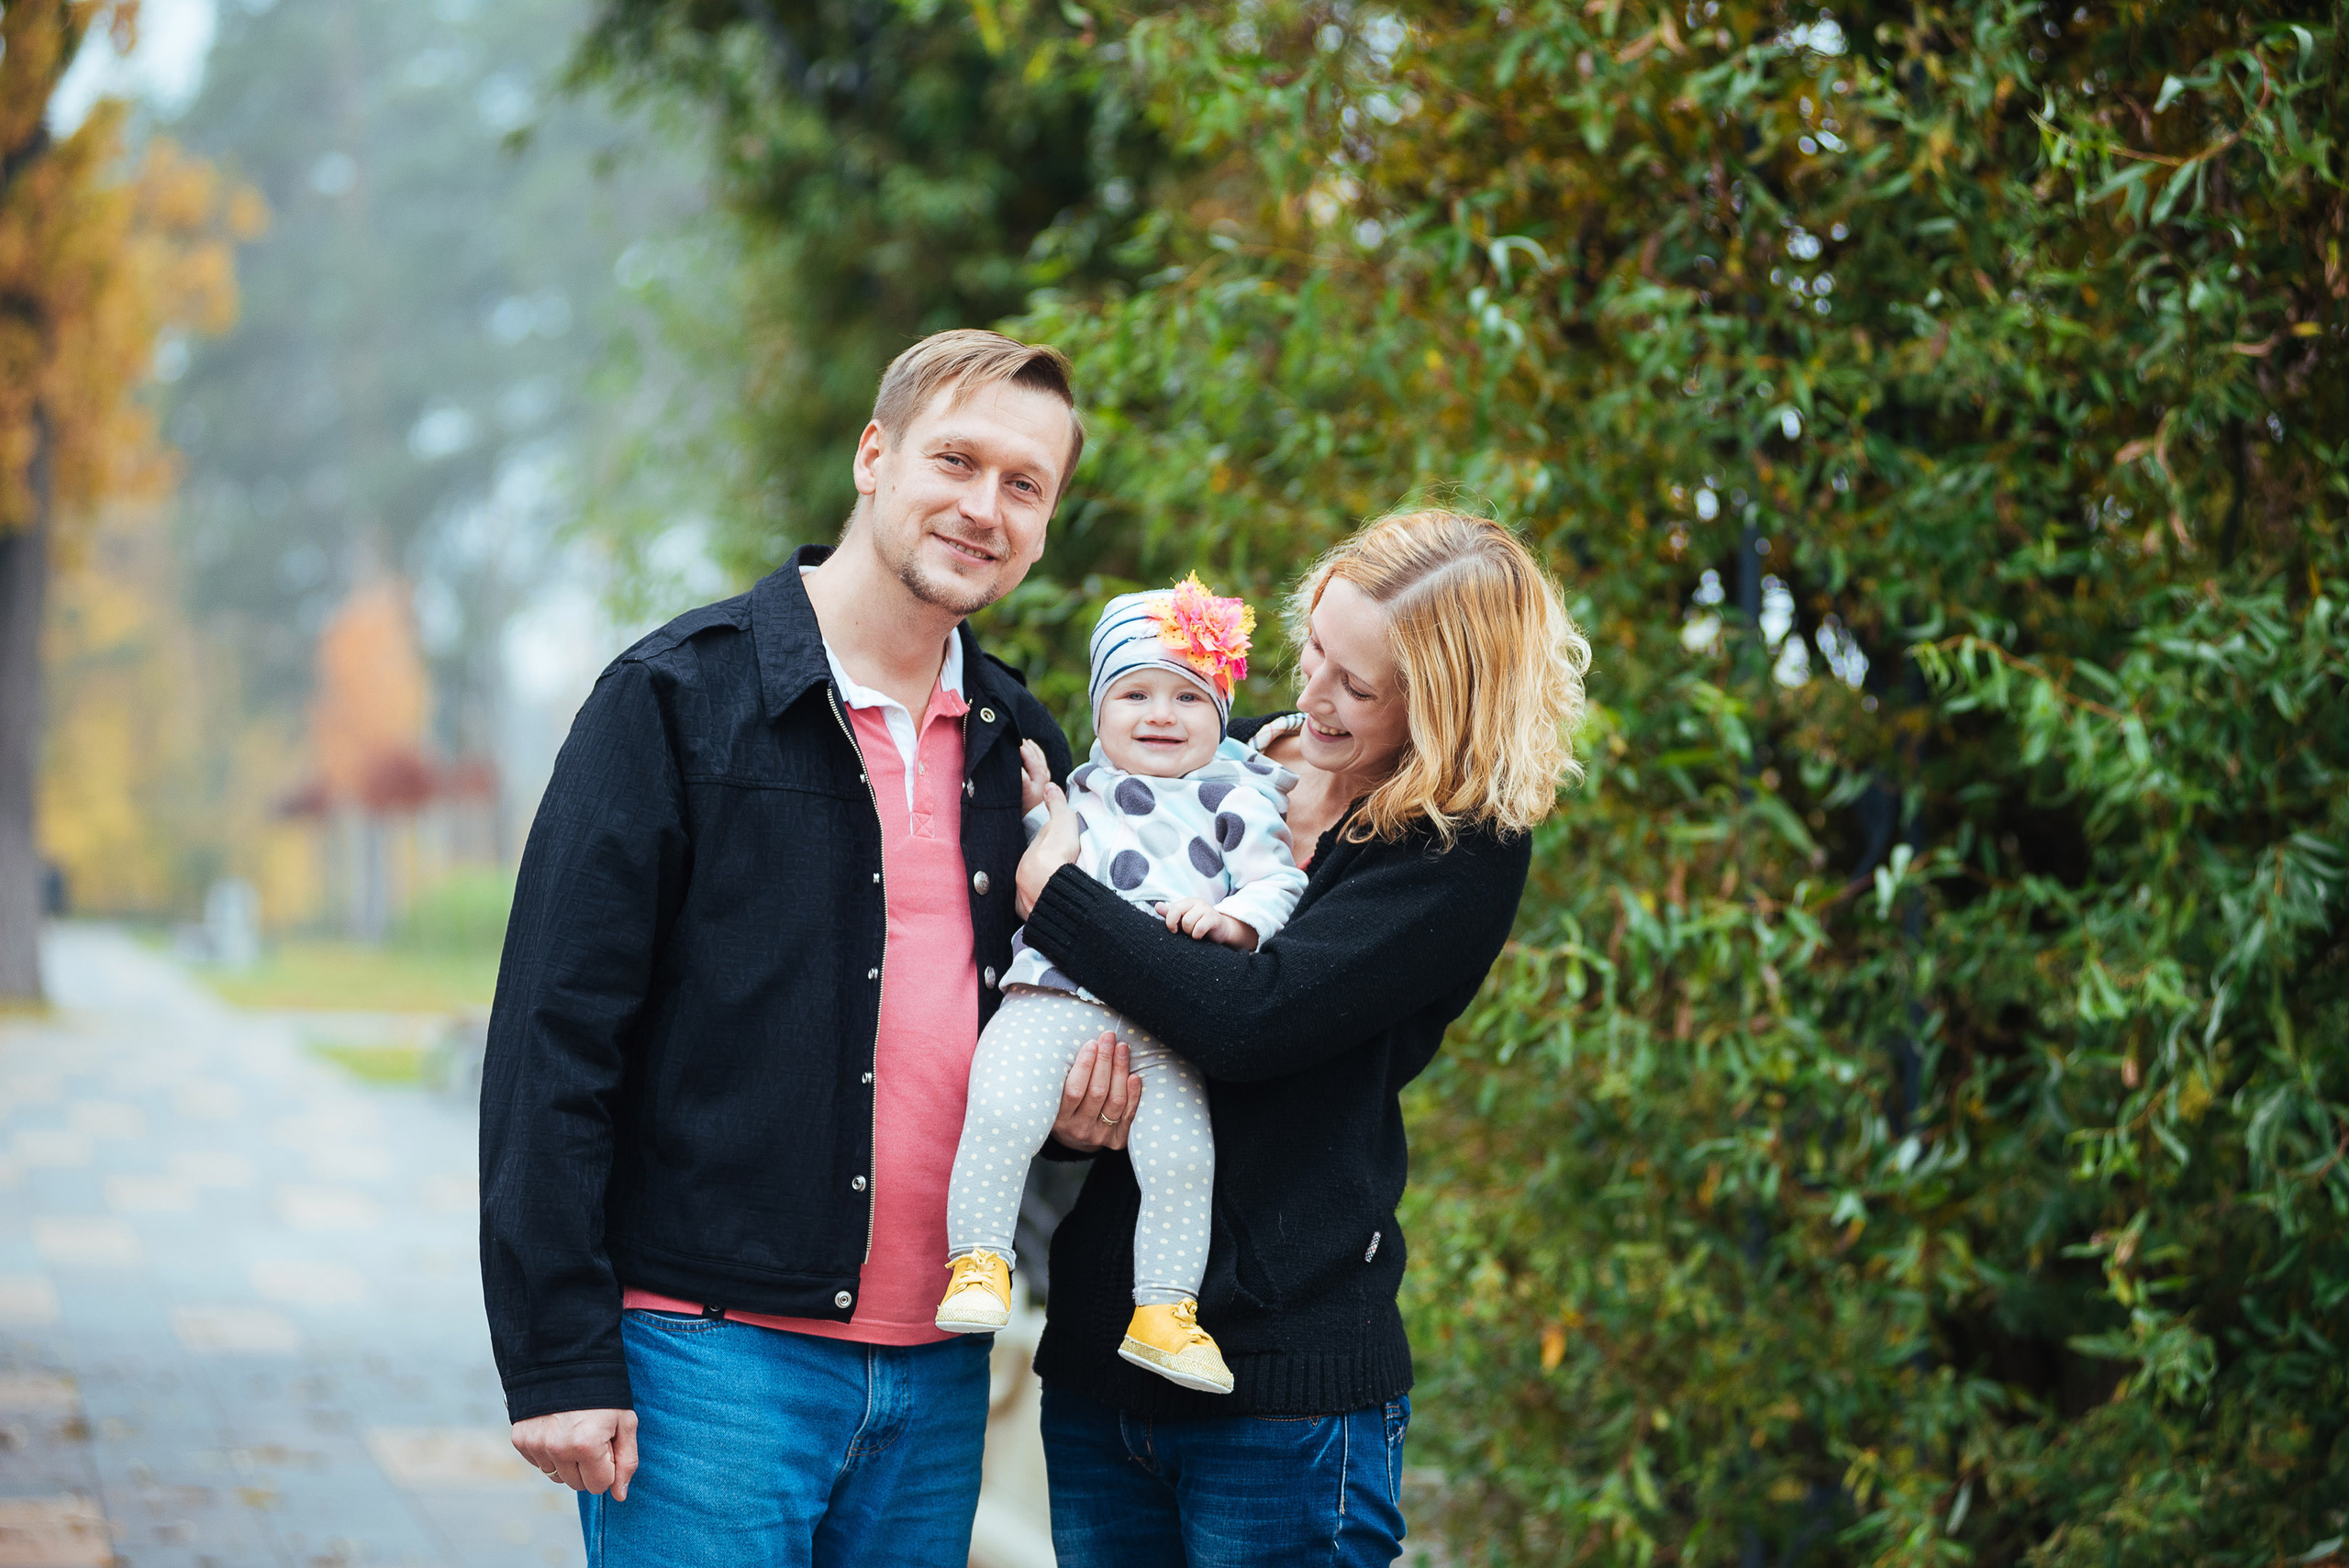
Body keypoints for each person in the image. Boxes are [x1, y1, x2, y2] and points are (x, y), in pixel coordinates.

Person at [479, 328, 1115, 1565]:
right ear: (875, 457)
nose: (984, 506)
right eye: (957, 460)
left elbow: (1064, 1006)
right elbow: (551, 1040)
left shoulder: (1019, 745)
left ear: (1047, 521)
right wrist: (557, 1354)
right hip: (709, 1363)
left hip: (939, 1376)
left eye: (1024, 484)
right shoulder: (672, 701)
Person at [1011, 510, 1593, 1567]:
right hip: (1101, 1369)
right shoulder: (1219, 756)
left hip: (1283, 1396)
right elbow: (1089, 996)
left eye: (1357, 686)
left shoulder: (1455, 851)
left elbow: (1249, 1018)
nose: (1312, 693)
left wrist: (1053, 895)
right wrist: (1063, 1112)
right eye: (1314, 647)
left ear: (1443, 704)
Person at [934, 575, 1308, 1396]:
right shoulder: (1078, 793)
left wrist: (1235, 921)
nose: (1161, 714)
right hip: (1051, 998)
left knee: (1182, 1158)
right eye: (1134, 692)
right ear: (1099, 712)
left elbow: (1279, 884)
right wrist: (1041, 806)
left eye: (1187, 696)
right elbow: (1029, 869)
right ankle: (979, 1260)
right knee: (999, 1106)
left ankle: (1166, 1312)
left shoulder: (1237, 796)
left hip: (1161, 1022)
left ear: (1220, 711)